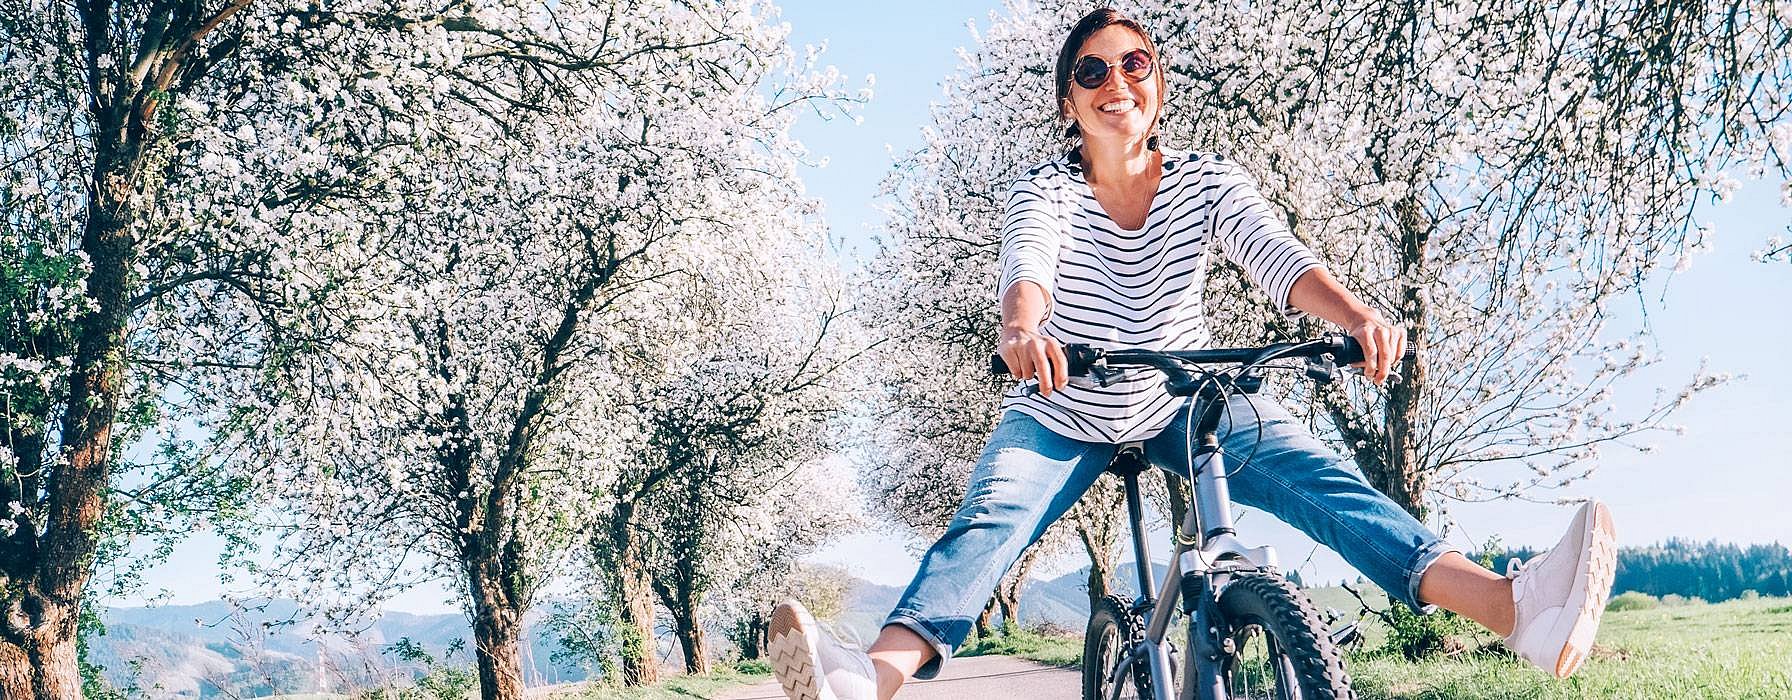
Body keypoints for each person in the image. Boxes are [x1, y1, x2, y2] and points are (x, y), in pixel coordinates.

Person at [767, 9, 1617, 700]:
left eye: (1134, 65)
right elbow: (1028, 271)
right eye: (1092, 72)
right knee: (989, 522)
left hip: (1184, 399)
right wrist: (1023, 332)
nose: (1116, 84)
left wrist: (1358, 317)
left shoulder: (1207, 180)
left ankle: (1516, 608)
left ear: (1158, 86)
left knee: (1329, 488)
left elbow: (1280, 258)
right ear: (1069, 102)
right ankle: (865, 680)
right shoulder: (1047, 192)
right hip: (1066, 403)